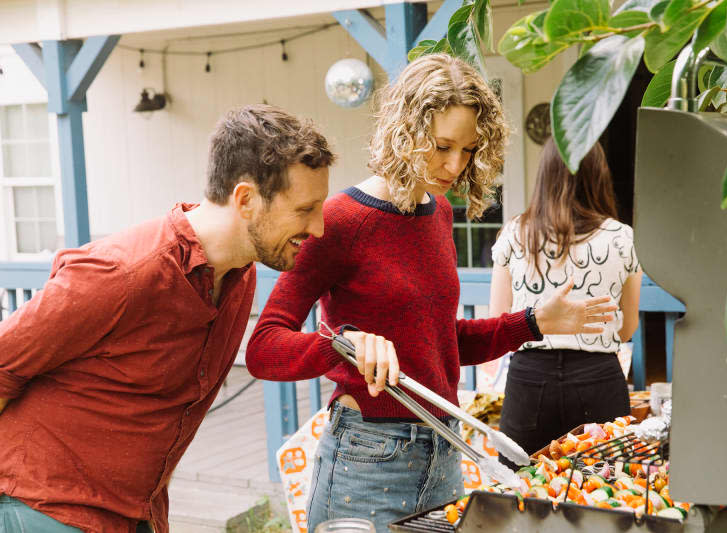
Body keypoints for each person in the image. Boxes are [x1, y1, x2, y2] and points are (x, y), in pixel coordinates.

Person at [245, 54, 616, 533]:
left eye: (468, 150)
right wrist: (343, 343)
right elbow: (264, 348)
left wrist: (534, 322)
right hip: (367, 456)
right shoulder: (339, 222)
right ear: (405, 128)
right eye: (442, 146)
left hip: (444, 448)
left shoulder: (438, 213)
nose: (454, 165)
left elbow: (439, 341)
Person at [0, 104, 334, 533]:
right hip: (40, 510)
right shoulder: (125, 272)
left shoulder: (239, 277)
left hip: (132, 514)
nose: (318, 228)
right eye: (305, 210)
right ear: (245, 200)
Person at [489, 137, 642, 467]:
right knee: (605, 491)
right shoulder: (622, 238)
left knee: (519, 492)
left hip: (530, 382)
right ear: (599, 175)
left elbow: (498, 322)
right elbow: (627, 329)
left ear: (545, 175)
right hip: (598, 378)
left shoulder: (515, 234)